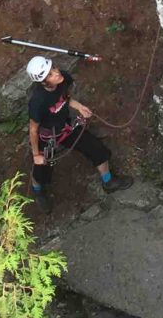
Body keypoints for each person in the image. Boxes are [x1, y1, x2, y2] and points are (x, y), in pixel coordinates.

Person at [26, 55, 132, 206]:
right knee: (41, 168)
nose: (56, 73)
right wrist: (36, 154)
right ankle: (38, 191)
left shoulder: (62, 79)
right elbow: (33, 130)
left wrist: (79, 107)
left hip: (65, 127)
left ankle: (108, 181)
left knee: (95, 148)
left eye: (53, 68)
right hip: (47, 136)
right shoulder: (38, 102)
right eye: (50, 74)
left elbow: (65, 98)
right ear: (43, 82)